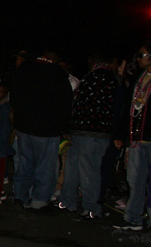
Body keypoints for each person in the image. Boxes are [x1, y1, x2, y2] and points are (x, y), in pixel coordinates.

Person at [10, 51, 73, 211]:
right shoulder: (57, 74)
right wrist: (66, 128)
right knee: (45, 166)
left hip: (24, 126)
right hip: (47, 128)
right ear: (52, 60)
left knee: (25, 163)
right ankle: (39, 200)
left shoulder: (23, 70)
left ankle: (20, 196)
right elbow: (64, 103)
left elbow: (14, 97)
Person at [58, 54, 118, 219]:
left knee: (87, 171)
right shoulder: (99, 78)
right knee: (74, 169)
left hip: (92, 133)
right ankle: (68, 202)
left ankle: (90, 208)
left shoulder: (101, 78)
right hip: (84, 131)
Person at [113, 42, 151, 231]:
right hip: (137, 139)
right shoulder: (140, 78)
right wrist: (122, 134)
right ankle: (133, 218)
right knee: (135, 180)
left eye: (141, 55)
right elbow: (128, 108)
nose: (138, 58)